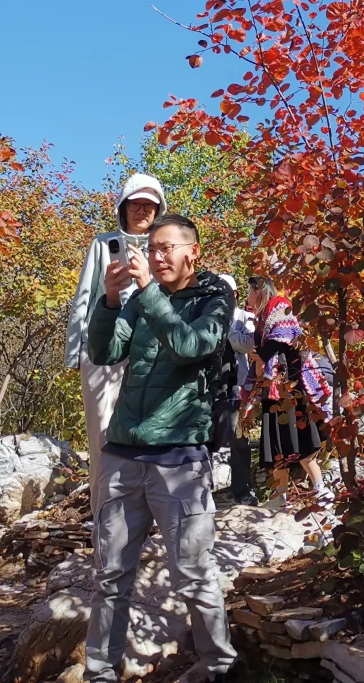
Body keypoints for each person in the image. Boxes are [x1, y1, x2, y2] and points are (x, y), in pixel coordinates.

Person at [84, 214, 236, 683]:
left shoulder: (214, 297)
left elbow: (192, 345)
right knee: (111, 576)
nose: (158, 256)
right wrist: (109, 302)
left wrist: (147, 294)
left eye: (168, 248)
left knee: (194, 573)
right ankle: (100, 672)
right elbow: (105, 352)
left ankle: (218, 667)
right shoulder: (137, 300)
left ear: (194, 251)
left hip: (180, 460)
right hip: (124, 453)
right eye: (152, 249)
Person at [66, 174, 168, 514]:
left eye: (149, 205)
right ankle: (103, 518)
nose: (142, 210)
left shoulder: (165, 247)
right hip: (102, 353)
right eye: (136, 203)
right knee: (102, 436)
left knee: (147, 432)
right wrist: (76, 352)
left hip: (150, 354)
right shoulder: (102, 243)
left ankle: (145, 517)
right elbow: (83, 297)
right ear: (122, 206)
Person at [246, 276, 332, 496]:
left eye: (249, 291)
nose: (247, 297)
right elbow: (259, 359)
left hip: (291, 387)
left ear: (259, 291)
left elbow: (283, 339)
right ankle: (280, 495)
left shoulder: (281, 308)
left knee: (300, 440)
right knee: (276, 444)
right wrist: (257, 359)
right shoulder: (261, 322)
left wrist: (260, 355)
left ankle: (320, 489)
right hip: (271, 389)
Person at [219, 274, 258, 506]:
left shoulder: (245, 318)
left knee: (239, 438)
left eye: (225, 292)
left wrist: (229, 327)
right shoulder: (206, 317)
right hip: (211, 385)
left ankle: (243, 490)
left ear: (234, 294)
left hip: (238, 386)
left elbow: (248, 344)